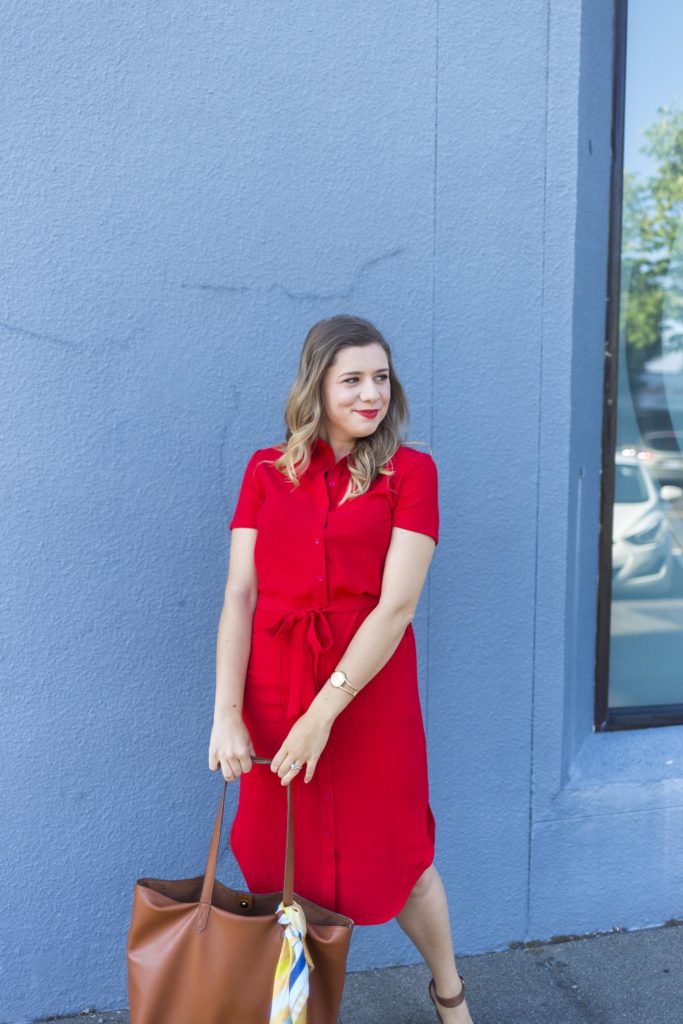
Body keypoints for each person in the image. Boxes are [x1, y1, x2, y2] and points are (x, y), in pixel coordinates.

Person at [209, 314, 474, 1024]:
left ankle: (450, 997)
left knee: (402, 856)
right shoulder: (266, 471)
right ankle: (299, 1013)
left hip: (367, 694)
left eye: (380, 378)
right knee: (279, 870)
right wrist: (226, 712)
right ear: (316, 385)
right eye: (351, 379)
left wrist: (322, 714)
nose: (370, 394)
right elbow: (240, 595)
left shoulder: (410, 472)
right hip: (272, 685)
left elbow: (396, 608)